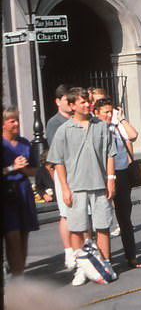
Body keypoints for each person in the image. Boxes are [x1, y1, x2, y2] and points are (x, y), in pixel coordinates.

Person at [47, 87, 116, 284]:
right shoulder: (64, 130)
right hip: (76, 186)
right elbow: (57, 161)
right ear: (72, 105)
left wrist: (111, 179)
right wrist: (64, 188)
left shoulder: (100, 126)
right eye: (82, 102)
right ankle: (82, 266)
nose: (87, 104)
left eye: (88, 101)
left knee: (102, 225)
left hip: (99, 184)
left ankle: (105, 263)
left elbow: (110, 154)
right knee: (77, 228)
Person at [93, 98, 141, 268]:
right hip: (102, 176)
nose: (109, 115)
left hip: (121, 173)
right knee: (102, 219)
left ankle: (131, 255)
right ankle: (104, 257)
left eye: (110, 111)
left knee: (125, 218)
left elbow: (133, 135)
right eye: (105, 112)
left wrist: (120, 119)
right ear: (96, 113)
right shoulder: (94, 129)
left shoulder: (116, 126)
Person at [3, 108, 41, 276]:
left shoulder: (25, 143)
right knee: (12, 235)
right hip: (6, 192)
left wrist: (24, 169)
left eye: (17, 120)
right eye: (12, 121)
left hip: (24, 191)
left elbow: (34, 170)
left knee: (24, 232)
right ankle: (16, 270)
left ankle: (20, 271)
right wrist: (12, 167)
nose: (16, 124)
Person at [44, 84, 75, 268]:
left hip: (78, 172)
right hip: (63, 171)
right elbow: (57, 152)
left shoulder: (77, 119)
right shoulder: (54, 123)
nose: (70, 104)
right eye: (66, 100)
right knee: (65, 213)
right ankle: (68, 251)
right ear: (58, 101)